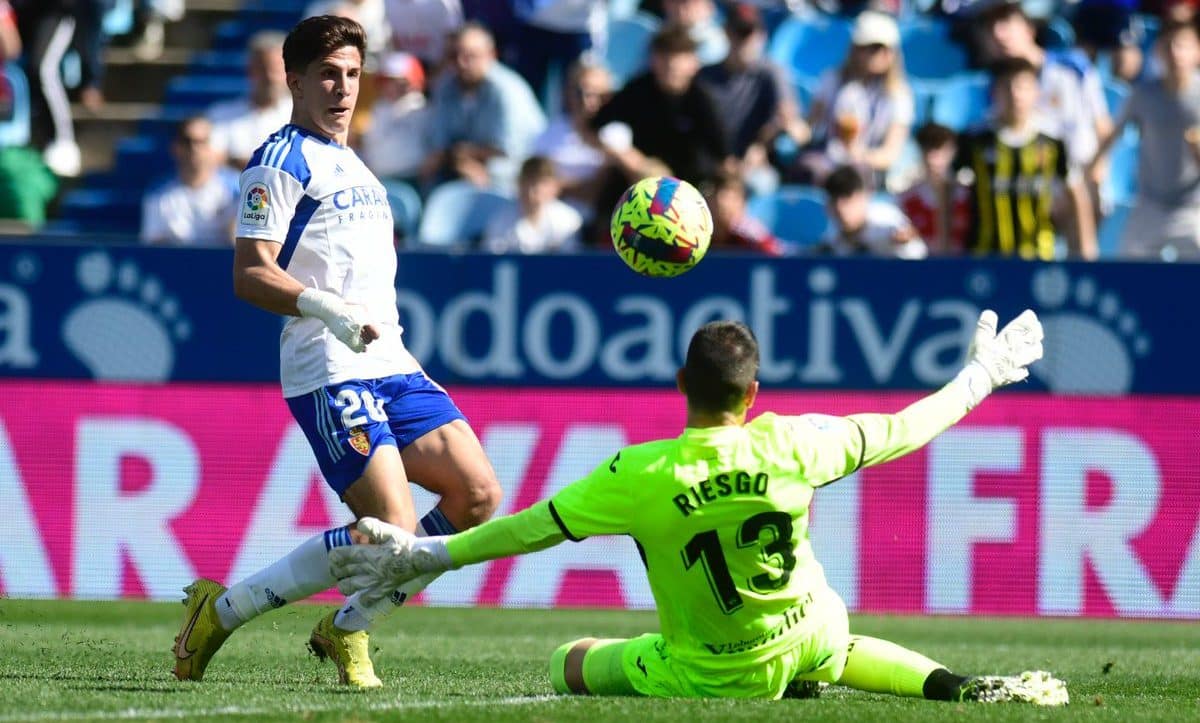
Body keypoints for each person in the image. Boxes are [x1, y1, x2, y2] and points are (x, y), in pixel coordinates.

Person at [328, 314, 1069, 707]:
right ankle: (947, 684)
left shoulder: (639, 471)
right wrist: (981, 376)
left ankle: (865, 674)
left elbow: (525, 531)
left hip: (716, 673)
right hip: (809, 631)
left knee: (567, 663)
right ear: (754, 393)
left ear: (681, 381)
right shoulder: (796, 442)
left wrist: (428, 553)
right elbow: (909, 427)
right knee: (832, 644)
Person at [171, 15, 501, 689]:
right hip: (327, 363)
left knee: (476, 494)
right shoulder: (277, 161)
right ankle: (221, 609)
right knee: (390, 525)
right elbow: (250, 272)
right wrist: (325, 307)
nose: (342, 88)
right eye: (327, 74)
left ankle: (347, 624)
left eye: (352, 74)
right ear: (293, 80)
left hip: (392, 362)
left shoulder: (355, 161)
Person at [955, 58, 1097, 260]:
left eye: (1022, 87)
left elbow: (1075, 191)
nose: (1015, 95)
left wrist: (1086, 249)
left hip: (1039, 255)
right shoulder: (974, 140)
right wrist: (945, 244)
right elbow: (947, 186)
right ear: (994, 93)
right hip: (984, 255)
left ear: (1036, 92)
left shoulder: (1052, 142)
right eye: (1006, 87)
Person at [1090, 19, 1200, 261]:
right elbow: (1113, 133)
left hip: (1193, 209)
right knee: (1129, 271)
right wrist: (1095, 164)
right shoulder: (1144, 95)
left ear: (1197, 51)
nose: (1175, 53)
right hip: (1149, 204)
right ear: (1159, 51)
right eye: (1168, 45)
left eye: (1182, 45)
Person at [419, 22, 546, 190]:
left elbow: (509, 149)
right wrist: (455, 158)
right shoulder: (446, 86)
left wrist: (466, 155)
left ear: (491, 55)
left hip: (514, 172)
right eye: (454, 55)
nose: (461, 63)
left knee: (497, 170)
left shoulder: (507, 91)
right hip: (460, 165)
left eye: (470, 56)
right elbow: (439, 141)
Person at [793, 11, 914, 188]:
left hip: (867, 169)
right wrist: (794, 127)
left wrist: (859, 155)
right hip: (830, 160)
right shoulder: (833, 80)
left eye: (887, 49)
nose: (881, 54)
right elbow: (810, 125)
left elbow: (889, 154)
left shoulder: (899, 95)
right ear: (856, 49)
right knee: (807, 168)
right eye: (873, 48)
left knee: (853, 178)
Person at [697, 3, 807, 194]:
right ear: (726, 32)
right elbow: (695, 127)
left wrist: (760, 147)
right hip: (711, 165)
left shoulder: (770, 74)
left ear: (762, 35)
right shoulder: (705, 77)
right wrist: (720, 164)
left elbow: (788, 120)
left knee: (761, 184)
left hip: (752, 166)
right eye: (739, 32)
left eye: (750, 33)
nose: (745, 40)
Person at [139, 116, 239, 247]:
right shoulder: (157, 194)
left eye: (203, 142)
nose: (194, 149)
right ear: (175, 148)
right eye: (187, 142)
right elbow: (154, 248)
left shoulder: (240, 189)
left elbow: (244, 247)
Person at [205, 31, 293, 169]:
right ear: (250, 70)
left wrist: (237, 161)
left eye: (276, 69)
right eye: (263, 69)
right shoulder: (221, 114)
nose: (270, 77)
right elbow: (211, 162)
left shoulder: (303, 114)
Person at [818, 164, 926, 258]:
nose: (840, 208)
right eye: (834, 200)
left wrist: (905, 243)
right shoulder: (826, 233)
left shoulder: (887, 220)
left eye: (847, 199)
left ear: (864, 197)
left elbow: (918, 256)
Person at [482, 155, 582, 254]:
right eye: (528, 182)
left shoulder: (569, 219)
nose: (534, 189)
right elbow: (493, 260)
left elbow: (568, 262)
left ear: (555, 186)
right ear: (519, 183)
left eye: (542, 182)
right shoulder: (500, 219)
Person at [898, 123, 971, 255]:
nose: (933, 158)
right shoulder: (907, 200)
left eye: (941, 149)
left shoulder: (967, 196)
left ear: (953, 151)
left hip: (963, 268)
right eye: (928, 149)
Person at [359, 51, 430, 182]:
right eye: (386, 81)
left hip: (411, 178)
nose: (390, 87)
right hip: (377, 177)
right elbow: (369, 142)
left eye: (398, 81)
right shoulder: (379, 107)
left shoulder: (420, 108)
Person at [705, 170, 783, 255]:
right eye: (723, 198)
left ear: (743, 204)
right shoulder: (702, 231)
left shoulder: (753, 235)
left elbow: (777, 256)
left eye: (734, 199)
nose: (727, 204)